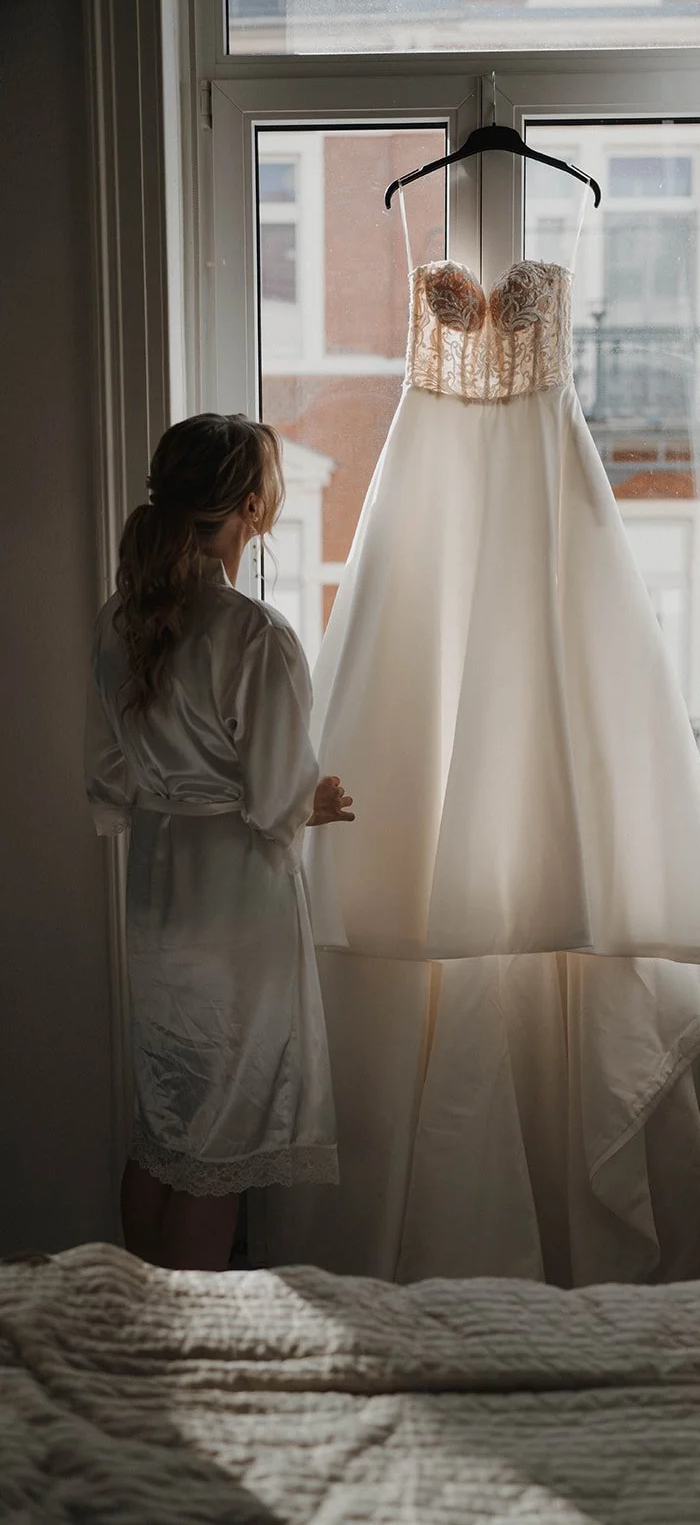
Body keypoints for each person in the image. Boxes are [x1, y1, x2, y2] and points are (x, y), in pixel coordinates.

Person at [85, 413, 352, 1271]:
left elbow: (109, 776)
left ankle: (141, 1323)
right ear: (253, 505)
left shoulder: (120, 619)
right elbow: (276, 801)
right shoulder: (254, 634)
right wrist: (311, 801)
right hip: (234, 903)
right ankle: (191, 1339)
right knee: (219, 1149)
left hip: (158, 888)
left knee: (164, 1121)